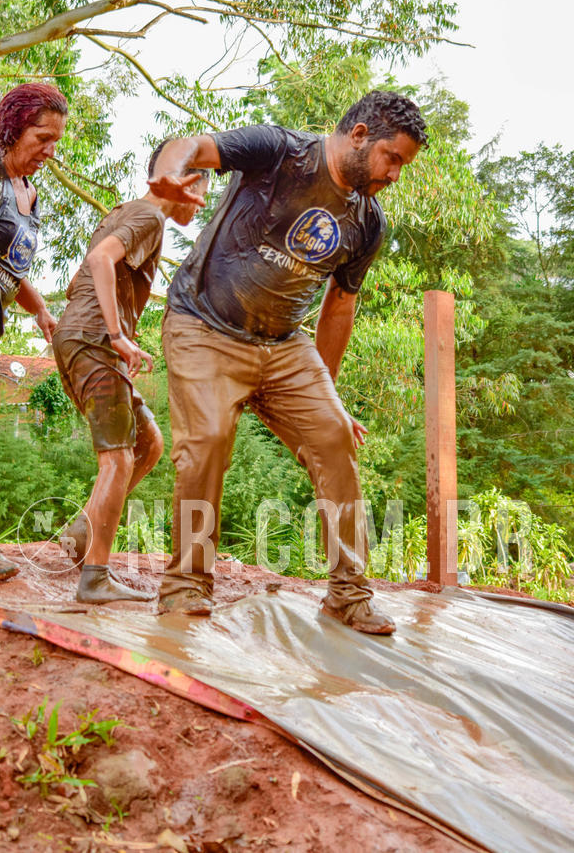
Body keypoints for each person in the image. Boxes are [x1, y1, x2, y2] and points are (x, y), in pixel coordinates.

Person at [148, 90, 427, 634]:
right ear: (361, 134)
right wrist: (169, 173)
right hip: (204, 325)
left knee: (333, 437)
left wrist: (325, 394)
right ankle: (185, 586)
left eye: (403, 166)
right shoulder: (278, 150)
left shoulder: (367, 221)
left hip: (283, 344)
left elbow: (339, 305)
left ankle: (348, 594)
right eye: (392, 158)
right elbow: (188, 147)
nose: (395, 174)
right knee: (204, 442)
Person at [53, 152, 208, 604]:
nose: (199, 202)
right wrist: (118, 334)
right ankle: (95, 577)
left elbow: (80, 276)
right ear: (184, 181)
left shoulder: (125, 211)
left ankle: (84, 530)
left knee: (148, 442)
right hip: (95, 340)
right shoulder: (149, 217)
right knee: (118, 458)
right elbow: (101, 259)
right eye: (200, 191)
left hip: (80, 337)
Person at [0, 83, 68, 582]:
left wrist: (42, 312)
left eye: (56, 140)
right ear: (13, 127)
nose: (49, 150)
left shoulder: (31, 197)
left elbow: (10, 268)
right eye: (42, 136)